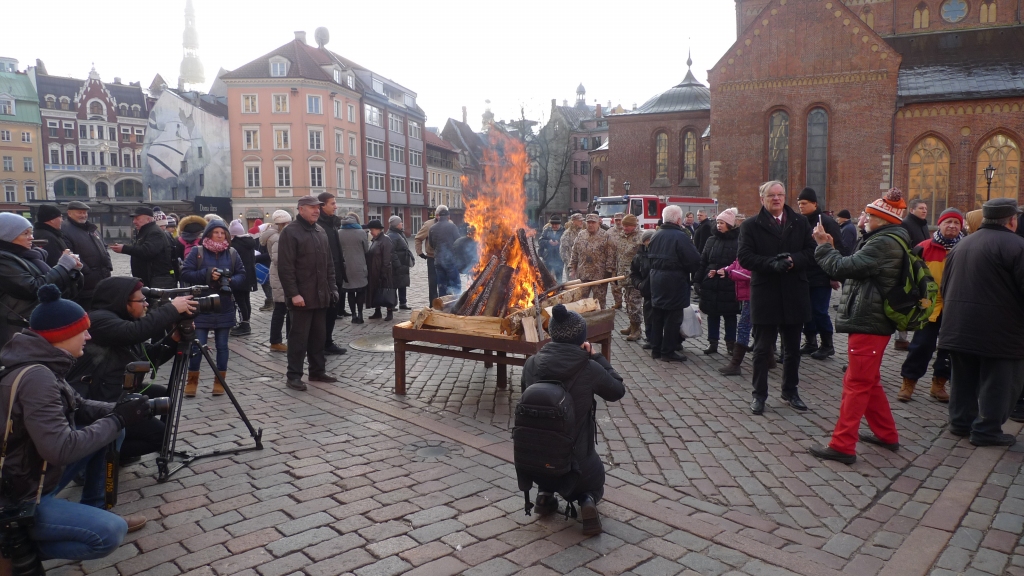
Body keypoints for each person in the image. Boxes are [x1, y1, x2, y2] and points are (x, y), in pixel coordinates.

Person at [0, 285, 150, 562]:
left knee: (113, 431)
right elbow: (61, 449)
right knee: (109, 533)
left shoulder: (43, 361)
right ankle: (13, 550)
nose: (89, 337)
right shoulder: (37, 378)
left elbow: (78, 405)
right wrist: (118, 418)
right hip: (17, 497)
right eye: (83, 331)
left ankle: (95, 508)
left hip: (32, 475)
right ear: (62, 335)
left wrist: (122, 410)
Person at [806, 188, 909, 464]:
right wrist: (830, 247)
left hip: (869, 321)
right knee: (869, 381)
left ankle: (842, 445)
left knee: (856, 384)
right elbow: (852, 264)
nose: (864, 219)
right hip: (871, 320)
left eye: (869, 215)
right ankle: (886, 434)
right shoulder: (886, 239)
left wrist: (823, 246)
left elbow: (842, 268)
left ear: (882, 219)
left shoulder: (883, 242)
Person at [520, 304, 625, 536]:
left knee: (549, 459)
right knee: (594, 482)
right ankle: (587, 500)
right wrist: (597, 356)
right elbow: (617, 390)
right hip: (578, 468)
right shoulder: (588, 367)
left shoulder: (531, 364)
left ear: (552, 334)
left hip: (536, 463)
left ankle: (545, 495)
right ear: (581, 338)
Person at [67, 276, 197, 459]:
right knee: (159, 436)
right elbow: (134, 332)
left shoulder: (121, 319)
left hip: (114, 388)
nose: (146, 304)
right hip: (96, 398)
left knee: (162, 395)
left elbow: (147, 357)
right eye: (141, 300)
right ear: (122, 301)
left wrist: (173, 339)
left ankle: (121, 444)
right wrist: (172, 309)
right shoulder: (98, 320)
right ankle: (102, 456)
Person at [938, 198, 1024, 446]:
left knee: (963, 379)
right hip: (1001, 332)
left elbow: (945, 286)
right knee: (1000, 382)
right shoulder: (1018, 246)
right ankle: (987, 430)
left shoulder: (962, 245)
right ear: (1012, 220)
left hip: (958, 326)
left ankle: (960, 423)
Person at [737, 180, 816, 415]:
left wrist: (792, 261)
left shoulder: (800, 222)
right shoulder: (751, 225)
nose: (776, 198)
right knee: (762, 350)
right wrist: (771, 263)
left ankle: (790, 391)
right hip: (766, 293)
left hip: (794, 292)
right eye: (771, 195)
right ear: (762, 198)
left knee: (792, 349)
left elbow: (812, 252)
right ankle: (759, 395)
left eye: (780, 194)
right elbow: (745, 257)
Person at [898, 208, 963, 403]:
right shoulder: (923, 247)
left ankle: (939, 383)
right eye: (948, 222)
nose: (952, 226)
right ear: (939, 224)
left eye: (956, 223)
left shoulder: (965, 248)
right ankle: (909, 382)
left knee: (949, 349)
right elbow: (910, 277)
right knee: (921, 345)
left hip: (955, 307)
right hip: (929, 305)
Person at [278, 197, 339, 391]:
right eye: (312, 207)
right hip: (301, 298)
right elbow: (286, 268)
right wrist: (294, 294)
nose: (316, 211)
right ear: (301, 209)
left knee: (318, 337)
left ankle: (317, 371)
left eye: (318, 207)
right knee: (298, 339)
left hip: (321, 295)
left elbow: (329, 265)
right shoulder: (290, 232)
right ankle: (294, 376)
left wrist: (332, 288)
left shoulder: (320, 231)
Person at [179, 220, 246, 397]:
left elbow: (242, 274)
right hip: (201, 304)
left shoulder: (232, 253)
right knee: (197, 346)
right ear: (209, 234)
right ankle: (192, 382)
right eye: (216, 232)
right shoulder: (197, 252)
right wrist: (207, 274)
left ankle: (220, 382)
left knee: (222, 346)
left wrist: (230, 280)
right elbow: (185, 273)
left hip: (224, 305)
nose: (220, 236)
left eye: (222, 233)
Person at [0, 213, 83, 348]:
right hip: (18, 329)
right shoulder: (3, 260)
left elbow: (57, 288)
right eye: (25, 233)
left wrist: (73, 271)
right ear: (7, 236)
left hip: (40, 323)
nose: (31, 237)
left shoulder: (30, 256)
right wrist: (63, 267)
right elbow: (32, 288)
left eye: (31, 232)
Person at [796, 188, 848, 360]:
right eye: (799, 204)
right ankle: (810, 342)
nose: (801, 206)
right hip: (805, 274)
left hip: (821, 274)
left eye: (804, 203)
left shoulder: (826, 222)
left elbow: (838, 247)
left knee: (819, 311)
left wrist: (833, 275)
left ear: (814, 204)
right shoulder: (801, 221)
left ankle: (827, 344)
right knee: (806, 310)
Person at [647, 206, 702, 362]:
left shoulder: (655, 235)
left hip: (656, 279)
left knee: (658, 316)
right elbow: (694, 260)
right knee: (673, 317)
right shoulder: (681, 236)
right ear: (678, 220)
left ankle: (656, 349)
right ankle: (668, 351)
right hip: (674, 280)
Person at [696, 208, 741, 356]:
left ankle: (730, 343)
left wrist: (728, 272)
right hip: (711, 282)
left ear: (730, 224)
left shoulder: (738, 241)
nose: (719, 225)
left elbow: (739, 263)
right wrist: (697, 280)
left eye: (722, 223)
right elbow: (703, 261)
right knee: (712, 314)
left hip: (729, 283)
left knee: (730, 315)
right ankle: (713, 342)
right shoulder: (711, 240)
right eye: (717, 223)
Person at [61, 201, 113, 311]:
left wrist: (108, 266)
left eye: (85, 213)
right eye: (79, 212)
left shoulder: (91, 228)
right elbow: (70, 254)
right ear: (69, 213)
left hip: (102, 279)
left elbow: (104, 248)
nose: (83, 215)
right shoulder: (65, 230)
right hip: (86, 283)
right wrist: (87, 271)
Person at [111, 206, 176, 290]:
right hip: (149, 280)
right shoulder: (145, 232)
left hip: (156, 281)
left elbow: (147, 251)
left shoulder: (154, 232)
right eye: (134, 219)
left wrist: (124, 248)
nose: (134, 221)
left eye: (137, 219)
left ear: (148, 219)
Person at [317, 193, 349, 356]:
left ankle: (327, 342)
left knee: (332, 312)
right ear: (322, 205)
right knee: (325, 313)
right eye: (333, 203)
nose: (336, 206)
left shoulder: (331, 223)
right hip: (326, 276)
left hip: (336, 274)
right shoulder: (319, 226)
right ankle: (322, 344)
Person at [260, 210, 292, 352]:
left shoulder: (276, 235)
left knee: (283, 309)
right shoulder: (278, 238)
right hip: (281, 277)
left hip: (280, 276)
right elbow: (280, 260)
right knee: (281, 309)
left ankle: (281, 340)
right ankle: (276, 341)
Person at [568, 214, 615, 309]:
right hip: (583, 275)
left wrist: (609, 271)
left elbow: (611, 255)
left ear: (598, 223)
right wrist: (572, 268)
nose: (590, 225)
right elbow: (575, 252)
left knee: (599, 302)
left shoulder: (605, 236)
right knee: (582, 301)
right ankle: (584, 318)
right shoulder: (581, 235)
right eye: (588, 222)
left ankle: (600, 317)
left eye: (593, 222)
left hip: (600, 276)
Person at [720, 254, 753, 376]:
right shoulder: (746, 249)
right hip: (749, 295)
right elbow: (736, 263)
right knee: (760, 327)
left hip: (754, 294)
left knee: (744, 326)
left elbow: (750, 273)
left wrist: (730, 273)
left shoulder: (754, 249)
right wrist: (724, 270)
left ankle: (735, 363)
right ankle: (769, 360)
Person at [615, 215, 644, 341]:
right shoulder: (622, 236)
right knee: (627, 301)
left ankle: (637, 329)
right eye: (624, 225)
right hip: (623, 276)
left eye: (627, 226)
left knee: (634, 303)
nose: (625, 228)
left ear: (634, 225)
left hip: (635, 277)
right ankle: (631, 325)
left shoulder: (641, 237)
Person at [228, 219, 258, 337]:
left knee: (240, 301)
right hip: (249, 275)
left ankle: (244, 325)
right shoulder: (249, 242)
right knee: (246, 300)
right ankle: (246, 322)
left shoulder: (235, 245)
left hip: (238, 276)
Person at [339, 212, 369, 324]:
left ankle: (353, 315)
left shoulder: (339, 232)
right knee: (360, 291)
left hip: (346, 266)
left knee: (350, 292)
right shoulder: (361, 232)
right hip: (360, 265)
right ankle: (360, 315)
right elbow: (366, 250)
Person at [366, 220, 398, 321]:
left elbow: (387, 258)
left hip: (383, 271)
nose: (371, 232)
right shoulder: (375, 240)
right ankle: (377, 311)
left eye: (372, 230)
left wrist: (384, 272)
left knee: (386, 290)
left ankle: (389, 311)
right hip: (374, 271)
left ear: (378, 229)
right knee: (376, 290)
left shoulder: (385, 240)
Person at [630, 230, 656, 348]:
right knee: (649, 315)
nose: (649, 242)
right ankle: (650, 338)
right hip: (647, 290)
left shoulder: (660, 253)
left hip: (661, 290)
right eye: (647, 240)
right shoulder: (639, 256)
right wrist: (639, 284)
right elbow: (634, 273)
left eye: (651, 239)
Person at [429, 206, 461, 296]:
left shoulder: (432, 228)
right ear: (448, 217)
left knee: (442, 285)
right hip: (450, 261)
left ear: (438, 216)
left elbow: (431, 244)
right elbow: (458, 241)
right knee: (455, 285)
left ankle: (442, 302)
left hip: (438, 261)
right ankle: (457, 301)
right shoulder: (452, 227)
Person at [386, 215, 414, 311]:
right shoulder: (392, 235)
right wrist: (397, 263)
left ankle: (403, 303)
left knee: (402, 283)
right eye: (400, 222)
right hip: (397, 264)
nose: (402, 223)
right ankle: (392, 304)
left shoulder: (399, 233)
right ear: (396, 224)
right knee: (394, 284)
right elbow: (391, 251)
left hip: (403, 262)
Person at [32, 204, 70, 269]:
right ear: (52, 220)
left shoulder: (50, 233)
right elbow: (54, 262)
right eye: (60, 217)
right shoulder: (48, 237)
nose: (62, 220)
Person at [414, 209, 438, 303]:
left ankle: (445, 303)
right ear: (436, 215)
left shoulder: (450, 223)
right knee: (433, 282)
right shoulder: (429, 225)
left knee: (446, 283)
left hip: (446, 258)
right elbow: (418, 238)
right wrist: (420, 252)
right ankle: (433, 303)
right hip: (432, 257)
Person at [538, 216, 565, 283]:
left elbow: (567, 242)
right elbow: (540, 241)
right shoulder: (546, 230)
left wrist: (559, 242)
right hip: (547, 258)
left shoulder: (564, 231)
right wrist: (548, 242)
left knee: (559, 279)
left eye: (556, 224)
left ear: (559, 224)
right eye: (553, 224)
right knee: (546, 278)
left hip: (559, 258)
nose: (554, 226)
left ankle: (559, 288)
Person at [607, 213, 625, 309]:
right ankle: (618, 302)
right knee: (614, 284)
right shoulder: (610, 232)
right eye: (616, 220)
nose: (618, 222)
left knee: (627, 284)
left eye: (620, 220)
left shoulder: (627, 230)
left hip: (625, 263)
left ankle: (629, 303)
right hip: (613, 263)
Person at [560, 213, 585, 281]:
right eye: (579, 220)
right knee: (573, 285)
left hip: (582, 266)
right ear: (573, 221)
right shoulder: (567, 234)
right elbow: (563, 252)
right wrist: (571, 266)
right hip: (572, 267)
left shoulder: (583, 233)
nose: (581, 222)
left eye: (582, 220)